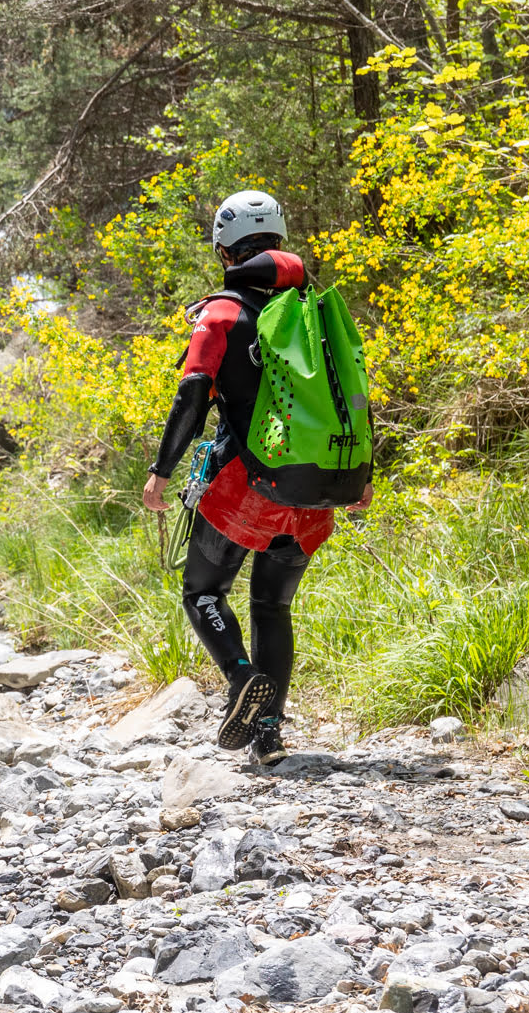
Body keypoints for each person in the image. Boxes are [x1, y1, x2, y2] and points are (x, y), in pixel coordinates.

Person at [141, 190, 372, 766]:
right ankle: (268, 736)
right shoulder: (316, 308)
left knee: (202, 592)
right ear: (279, 239)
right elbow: (353, 392)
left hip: (246, 487)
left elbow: (192, 396)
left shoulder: (221, 313)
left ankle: (241, 677)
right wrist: (364, 473)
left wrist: (161, 471)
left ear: (225, 252)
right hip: (315, 487)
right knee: (273, 606)